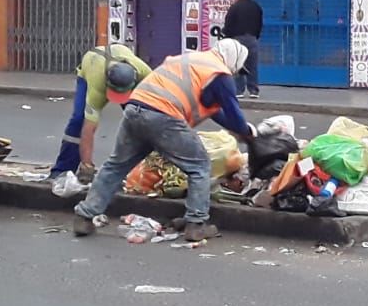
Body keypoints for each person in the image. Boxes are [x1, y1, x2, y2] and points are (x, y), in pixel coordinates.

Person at [72, 39, 255, 241]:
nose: (236, 74)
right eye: (238, 69)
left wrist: (238, 128)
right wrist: (248, 133)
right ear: (233, 60)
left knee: (116, 165)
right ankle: (196, 224)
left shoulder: (192, 60)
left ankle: (84, 216)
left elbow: (217, 112)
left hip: (135, 108)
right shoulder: (220, 74)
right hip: (163, 115)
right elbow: (234, 115)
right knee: (199, 166)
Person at [49, 43, 154, 191]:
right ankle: (62, 170)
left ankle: (140, 172)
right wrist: (87, 166)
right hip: (90, 66)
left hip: (120, 57)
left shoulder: (145, 73)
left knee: (140, 119)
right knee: (78, 120)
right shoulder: (97, 85)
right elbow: (89, 129)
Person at [222, 0, 263, 98]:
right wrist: (256, 35)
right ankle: (253, 90)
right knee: (252, 65)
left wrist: (227, 36)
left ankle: (239, 90)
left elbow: (228, 24)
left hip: (238, 39)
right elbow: (260, 23)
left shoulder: (234, 7)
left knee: (238, 64)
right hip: (252, 38)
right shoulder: (256, 7)